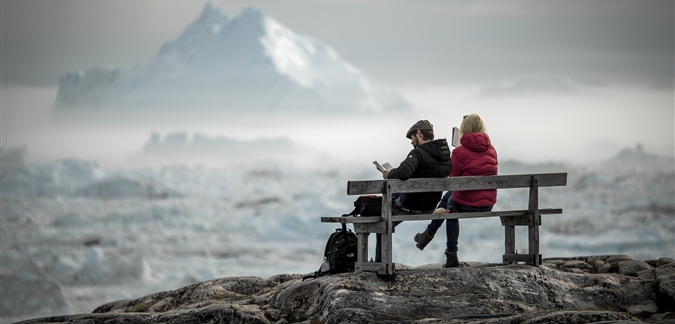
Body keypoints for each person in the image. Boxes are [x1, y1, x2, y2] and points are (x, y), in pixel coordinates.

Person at [413, 113, 498, 268]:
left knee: (450, 208)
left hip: (469, 204)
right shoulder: (491, 149)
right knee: (449, 198)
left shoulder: (460, 152)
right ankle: (427, 235)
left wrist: (457, 153)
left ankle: (447, 251)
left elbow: (453, 177)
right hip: (488, 204)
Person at [375, 120, 453, 262]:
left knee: (381, 221)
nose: (412, 142)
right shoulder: (445, 156)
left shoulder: (418, 153)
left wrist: (389, 174)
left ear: (419, 133)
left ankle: (380, 262)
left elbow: (404, 171)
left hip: (411, 206)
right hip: (430, 207)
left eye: (412, 137)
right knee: (398, 194)